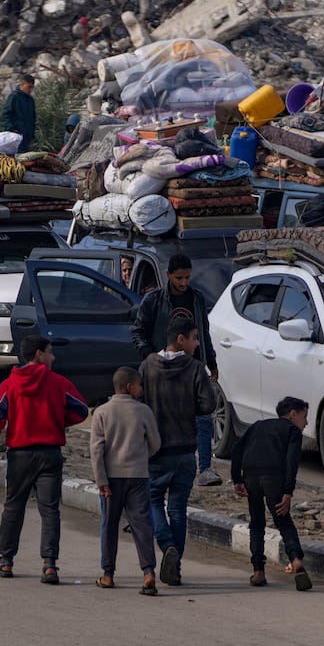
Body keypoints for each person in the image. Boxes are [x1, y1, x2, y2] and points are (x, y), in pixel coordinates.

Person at [0, 336, 89, 585]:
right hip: (50, 454)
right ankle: (49, 566)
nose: (53, 357)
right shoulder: (59, 383)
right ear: (39, 354)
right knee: (50, 510)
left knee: (13, 507)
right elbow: (81, 410)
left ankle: (5, 560)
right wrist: (57, 420)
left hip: (20, 457)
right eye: (50, 352)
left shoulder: (9, 385)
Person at [129, 254, 220, 485]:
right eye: (179, 278)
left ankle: (206, 467)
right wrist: (150, 355)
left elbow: (204, 333)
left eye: (187, 277)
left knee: (203, 415)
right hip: (163, 366)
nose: (183, 283)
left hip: (192, 366)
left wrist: (211, 363)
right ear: (168, 275)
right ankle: (157, 459)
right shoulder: (153, 300)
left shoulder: (197, 299)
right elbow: (138, 331)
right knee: (161, 414)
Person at [140, 317, 216, 587]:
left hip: (155, 450)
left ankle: (167, 545)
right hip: (185, 450)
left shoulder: (148, 366)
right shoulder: (195, 368)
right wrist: (187, 408)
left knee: (153, 501)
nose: (198, 343)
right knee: (178, 508)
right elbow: (209, 403)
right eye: (195, 338)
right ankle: (176, 564)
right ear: (180, 340)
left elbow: (137, 400)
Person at [87, 367, 160, 594]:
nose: (142, 388)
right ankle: (148, 572)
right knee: (142, 524)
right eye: (139, 384)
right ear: (129, 387)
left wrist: (101, 480)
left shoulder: (102, 412)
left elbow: (96, 450)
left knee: (109, 525)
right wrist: (140, 457)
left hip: (110, 478)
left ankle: (108, 574)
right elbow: (155, 442)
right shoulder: (143, 411)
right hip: (137, 476)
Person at [231, 397, 313, 590]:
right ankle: (296, 560)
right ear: (293, 414)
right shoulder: (292, 431)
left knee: (257, 523)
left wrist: (237, 479)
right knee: (283, 520)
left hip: (251, 478)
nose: (306, 423)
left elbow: (237, 450)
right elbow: (292, 462)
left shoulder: (258, 426)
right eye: (304, 416)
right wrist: (288, 491)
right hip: (274, 479)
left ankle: (258, 572)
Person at [0, 74, 36, 150]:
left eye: (32, 87)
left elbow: (33, 118)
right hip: (15, 136)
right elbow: (5, 115)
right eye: (28, 87)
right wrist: (12, 129)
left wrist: (32, 135)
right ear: (22, 84)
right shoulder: (14, 97)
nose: (30, 90)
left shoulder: (30, 100)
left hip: (26, 137)